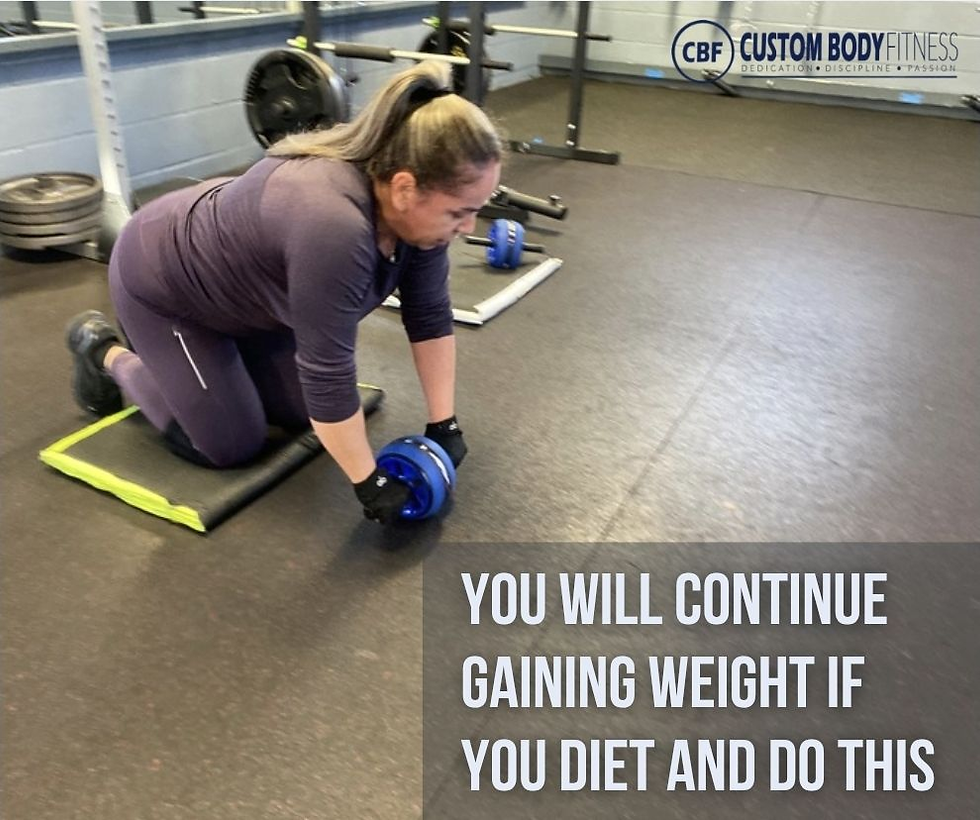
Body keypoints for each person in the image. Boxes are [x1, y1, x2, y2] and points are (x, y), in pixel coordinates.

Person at [65, 60, 503, 524]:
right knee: (232, 442)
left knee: (299, 415)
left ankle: (209, 367)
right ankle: (105, 352)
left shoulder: (423, 218)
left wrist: (444, 423)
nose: (469, 227)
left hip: (250, 297)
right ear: (404, 188)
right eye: (460, 212)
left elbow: (430, 316)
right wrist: (367, 480)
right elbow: (328, 373)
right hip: (166, 285)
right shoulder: (333, 225)